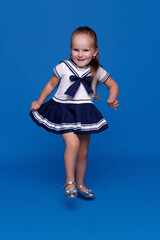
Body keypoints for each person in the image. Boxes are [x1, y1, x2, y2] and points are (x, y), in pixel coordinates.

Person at [30, 26, 119, 199]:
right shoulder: (63, 67)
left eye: (85, 50)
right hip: (63, 110)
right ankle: (69, 181)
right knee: (73, 144)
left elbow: (113, 85)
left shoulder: (97, 70)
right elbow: (50, 85)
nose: (80, 54)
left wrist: (111, 99)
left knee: (83, 151)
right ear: (70, 50)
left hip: (85, 112)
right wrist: (39, 101)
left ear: (94, 52)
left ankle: (80, 184)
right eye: (75, 49)